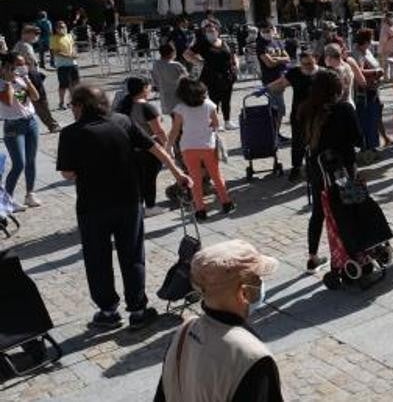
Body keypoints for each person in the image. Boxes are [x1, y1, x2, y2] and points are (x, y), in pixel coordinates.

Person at [57, 85, 186, 331]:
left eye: (74, 105)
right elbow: (155, 147)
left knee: (97, 258)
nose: (72, 110)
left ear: (82, 106)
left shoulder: (71, 133)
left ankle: (108, 310)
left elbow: (67, 173)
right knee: (133, 255)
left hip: (92, 206)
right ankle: (138, 310)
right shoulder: (122, 121)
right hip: (128, 201)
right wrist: (177, 172)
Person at [154, 240, 283, 402]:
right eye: (257, 278)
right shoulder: (252, 357)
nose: (261, 283)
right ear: (243, 294)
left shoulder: (184, 331)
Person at [298, 69, 362, 272]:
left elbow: (301, 140)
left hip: (318, 169)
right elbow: (358, 138)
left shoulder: (305, 109)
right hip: (342, 168)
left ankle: (312, 256)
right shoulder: (343, 109)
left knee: (318, 211)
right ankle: (353, 252)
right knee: (349, 208)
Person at [169, 78, 235, 220]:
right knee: (216, 176)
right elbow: (216, 124)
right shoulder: (209, 105)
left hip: (188, 147)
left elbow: (175, 130)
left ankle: (200, 209)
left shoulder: (179, 109)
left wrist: (168, 147)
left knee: (194, 179)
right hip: (207, 146)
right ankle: (226, 202)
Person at [263, 50, 319, 182]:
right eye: (304, 64)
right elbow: (281, 83)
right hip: (299, 114)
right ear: (300, 63)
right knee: (298, 142)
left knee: (316, 141)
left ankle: (314, 167)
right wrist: (266, 89)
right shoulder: (295, 73)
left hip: (317, 114)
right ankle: (297, 168)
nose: (307, 66)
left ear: (315, 59)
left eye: (310, 63)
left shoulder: (321, 73)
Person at [117, 77, 168, 211]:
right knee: (149, 179)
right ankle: (150, 206)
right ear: (144, 88)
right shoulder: (146, 107)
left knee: (138, 180)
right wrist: (168, 147)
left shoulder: (122, 105)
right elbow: (159, 131)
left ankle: (137, 205)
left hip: (130, 149)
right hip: (149, 149)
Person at [1, 53, 42, 207]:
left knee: (31, 160)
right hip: (13, 126)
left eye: (23, 63)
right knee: (19, 164)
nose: (22, 66)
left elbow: (36, 97)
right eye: (19, 64)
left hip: (30, 121)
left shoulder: (22, 78)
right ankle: (6, 201)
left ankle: (30, 194)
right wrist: (8, 81)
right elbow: (9, 102)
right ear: (7, 66)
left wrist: (27, 81)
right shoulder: (2, 83)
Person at [184, 23, 239, 129]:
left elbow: (233, 55)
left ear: (218, 31)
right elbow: (187, 54)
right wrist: (199, 62)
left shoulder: (224, 42)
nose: (211, 32)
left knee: (227, 99)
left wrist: (236, 64)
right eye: (208, 31)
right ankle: (215, 123)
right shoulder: (202, 43)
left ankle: (227, 122)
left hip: (227, 75)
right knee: (214, 100)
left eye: (213, 30)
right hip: (212, 76)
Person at [350, 28, 391, 152]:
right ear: (365, 41)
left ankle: (383, 139)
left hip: (373, 88)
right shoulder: (357, 52)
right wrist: (376, 71)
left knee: (376, 115)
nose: (371, 41)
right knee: (367, 119)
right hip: (365, 92)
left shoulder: (366, 50)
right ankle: (367, 147)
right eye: (370, 38)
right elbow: (359, 71)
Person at [12, 25, 58, 132]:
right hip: (30, 76)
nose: (36, 37)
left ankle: (48, 124)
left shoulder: (20, 45)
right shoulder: (25, 46)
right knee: (41, 101)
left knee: (25, 103)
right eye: (35, 34)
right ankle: (52, 125)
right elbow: (30, 63)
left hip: (22, 78)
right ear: (26, 34)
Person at [256, 22, 291, 140]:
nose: (267, 33)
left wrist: (277, 59)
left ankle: (275, 133)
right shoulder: (260, 44)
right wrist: (280, 60)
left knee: (276, 108)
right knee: (279, 107)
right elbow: (269, 64)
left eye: (269, 30)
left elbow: (288, 58)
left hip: (281, 78)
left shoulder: (277, 41)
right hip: (270, 80)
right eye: (264, 30)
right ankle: (273, 134)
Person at [151, 42, 189, 119]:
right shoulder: (176, 65)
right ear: (172, 52)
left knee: (174, 118)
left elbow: (154, 79)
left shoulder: (156, 64)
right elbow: (186, 78)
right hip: (179, 96)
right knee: (181, 119)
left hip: (165, 95)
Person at [323, 43, 365, 107]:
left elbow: (342, 93)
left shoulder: (338, 71)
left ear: (328, 58)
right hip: (350, 104)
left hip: (342, 108)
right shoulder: (347, 65)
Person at [50, 20, 79, 109]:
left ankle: (72, 101)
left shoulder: (69, 36)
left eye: (64, 27)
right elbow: (56, 52)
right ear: (57, 29)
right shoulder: (54, 38)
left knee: (74, 84)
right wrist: (69, 56)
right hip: (62, 65)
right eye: (60, 27)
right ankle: (61, 102)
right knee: (63, 85)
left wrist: (75, 54)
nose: (63, 29)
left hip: (73, 64)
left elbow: (73, 46)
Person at [378, 11, 393, 79]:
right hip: (386, 48)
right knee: (386, 65)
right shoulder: (385, 27)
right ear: (388, 18)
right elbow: (383, 39)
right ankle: (386, 78)